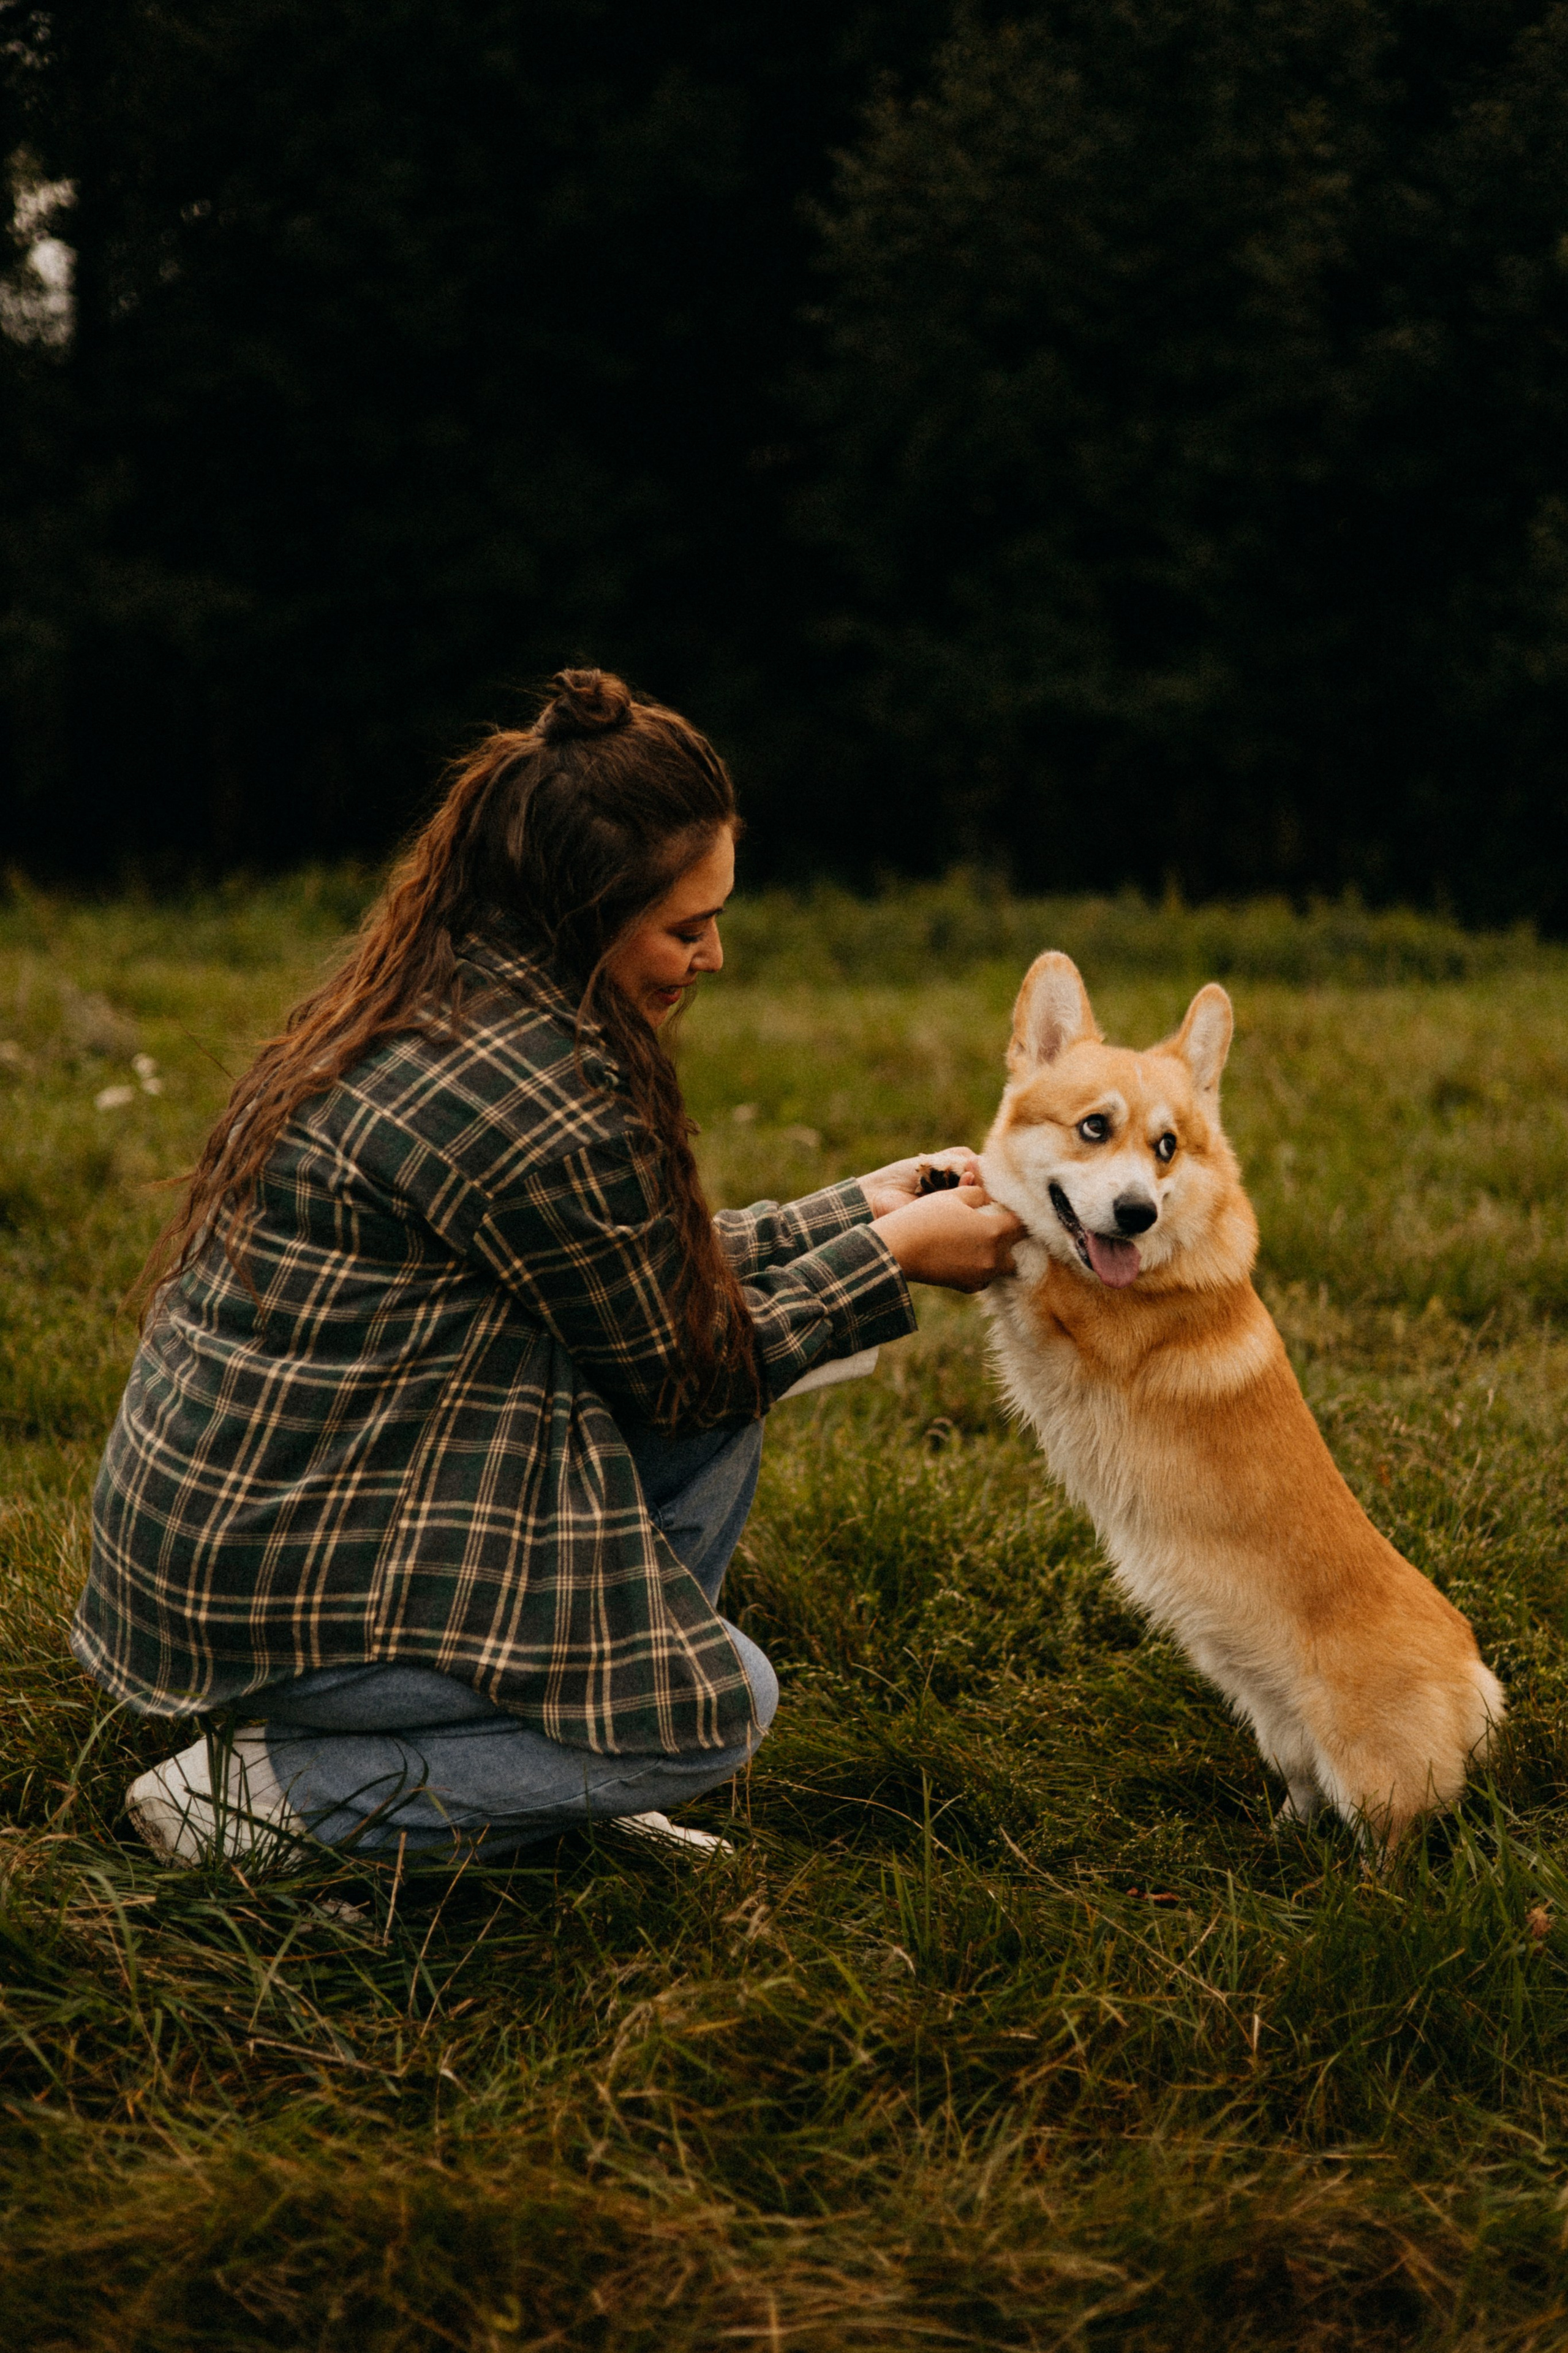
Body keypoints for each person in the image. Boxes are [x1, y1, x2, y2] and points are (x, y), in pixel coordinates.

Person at [73, 670, 1023, 1868]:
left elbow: (623, 1284)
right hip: (280, 1595)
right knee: (716, 1717)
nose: (714, 955)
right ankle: (268, 1794)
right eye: (686, 926)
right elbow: (684, 1364)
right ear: (589, 911)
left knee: (722, 1415)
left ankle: (548, 1769)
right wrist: (890, 1257)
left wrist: (851, 1208)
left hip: (270, 1526)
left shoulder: (465, 991)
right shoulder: (533, 1091)